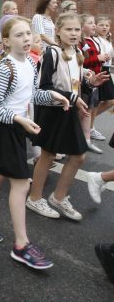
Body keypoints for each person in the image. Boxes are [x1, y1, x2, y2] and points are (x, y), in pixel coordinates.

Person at [0, 16, 69, 270]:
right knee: (21, 184)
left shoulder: (29, 64)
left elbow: (31, 93)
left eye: (28, 34)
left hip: (14, 127)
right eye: (19, 35)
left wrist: (54, 95)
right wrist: (19, 120)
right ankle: (21, 245)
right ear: (6, 41)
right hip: (3, 129)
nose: (26, 39)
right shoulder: (5, 67)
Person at [26, 13, 107, 221]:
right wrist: (71, 96)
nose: (73, 33)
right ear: (58, 31)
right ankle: (34, 198)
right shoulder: (51, 53)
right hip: (53, 111)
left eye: (76, 29)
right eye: (68, 29)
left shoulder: (78, 52)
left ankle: (58, 197)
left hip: (68, 109)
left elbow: (75, 84)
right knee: (47, 155)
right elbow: (43, 87)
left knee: (77, 156)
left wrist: (90, 83)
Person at [80, 14, 107, 152]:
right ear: (82, 26)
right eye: (90, 23)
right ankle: (79, 138)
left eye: (94, 22)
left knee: (90, 108)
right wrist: (98, 58)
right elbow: (83, 61)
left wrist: (101, 58)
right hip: (86, 80)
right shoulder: (82, 42)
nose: (94, 25)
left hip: (94, 79)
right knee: (84, 110)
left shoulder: (92, 40)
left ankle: (87, 139)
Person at [90, 16, 114, 139]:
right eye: (101, 25)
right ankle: (89, 126)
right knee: (96, 101)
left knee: (109, 101)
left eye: (106, 25)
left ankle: (87, 122)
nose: (104, 27)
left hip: (107, 70)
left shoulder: (108, 40)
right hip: (100, 70)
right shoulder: (96, 40)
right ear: (96, 27)